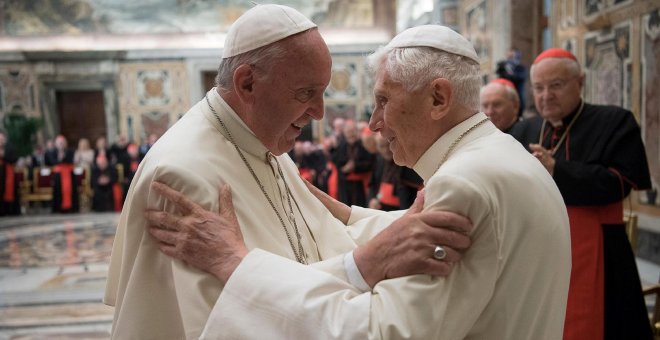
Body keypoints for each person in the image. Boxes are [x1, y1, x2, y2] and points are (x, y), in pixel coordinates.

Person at [145, 24, 572, 339]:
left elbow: (380, 332)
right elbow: (475, 242)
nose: (373, 123)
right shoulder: (503, 156)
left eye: (384, 100)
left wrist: (236, 263)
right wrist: (349, 215)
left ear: (438, 98)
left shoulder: (463, 185)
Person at [104, 6, 473, 339]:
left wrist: (387, 232)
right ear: (247, 83)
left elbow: (321, 242)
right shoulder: (185, 175)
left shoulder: (266, 142)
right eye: (306, 92)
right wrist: (367, 264)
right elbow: (227, 325)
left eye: (323, 92)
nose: (319, 113)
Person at [510, 47, 653, 340]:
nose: (546, 95)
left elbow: (619, 183)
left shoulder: (614, 121)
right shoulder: (525, 131)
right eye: (538, 88)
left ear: (581, 82)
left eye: (556, 85)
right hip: (535, 249)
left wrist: (556, 169)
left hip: (599, 247)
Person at [332, 119, 375, 207]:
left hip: (361, 185)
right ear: (345, 133)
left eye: (353, 131)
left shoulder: (364, 145)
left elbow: (371, 163)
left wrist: (355, 166)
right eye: (348, 132)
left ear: (357, 132)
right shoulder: (341, 146)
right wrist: (344, 169)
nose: (351, 134)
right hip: (345, 185)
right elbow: (337, 163)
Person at [495, 47, 527, 116]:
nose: (510, 58)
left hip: (517, 94)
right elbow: (498, 74)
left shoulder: (520, 67)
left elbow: (520, 78)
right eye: (509, 56)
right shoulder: (503, 66)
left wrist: (510, 74)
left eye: (512, 56)